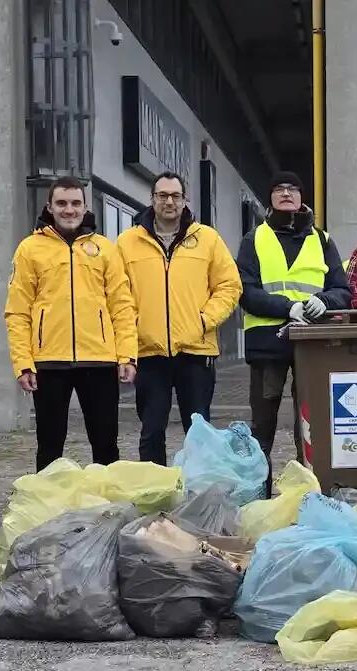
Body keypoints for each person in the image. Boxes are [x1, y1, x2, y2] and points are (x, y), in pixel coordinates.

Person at [5, 176, 138, 471]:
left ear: (85, 206)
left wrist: (126, 355)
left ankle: (108, 507)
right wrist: (23, 363)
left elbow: (122, 306)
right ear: (49, 207)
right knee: (50, 446)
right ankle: (47, 508)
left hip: (99, 360)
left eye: (75, 203)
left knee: (106, 445)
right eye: (62, 203)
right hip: (49, 362)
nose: (69, 209)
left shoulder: (105, 248)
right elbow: (17, 312)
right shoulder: (29, 249)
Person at [117, 171, 243, 465]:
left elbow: (229, 286)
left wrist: (202, 321)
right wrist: (132, 332)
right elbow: (118, 294)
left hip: (195, 353)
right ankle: (157, 496)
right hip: (149, 353)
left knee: (199, 433)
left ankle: (200, 495)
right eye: (162, 195)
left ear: (185, 200)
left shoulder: (207, 239)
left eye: (175, 196)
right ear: (152, 199)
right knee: (151, 433)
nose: (169, 202)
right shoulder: (127, 243)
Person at [237, 171, 351, 494]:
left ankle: (313, 493)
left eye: (293, 189)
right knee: (263, 428)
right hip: (268, 345)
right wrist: (288, 308)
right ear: (270, 198)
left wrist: (322, 302)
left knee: (314, 425)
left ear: (302, 198)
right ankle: (260, 496)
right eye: (279, 189)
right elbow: (245, 290)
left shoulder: (323, 240)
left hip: (313, 347)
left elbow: (342, 290)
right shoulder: (254, 239)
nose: (286, 193)